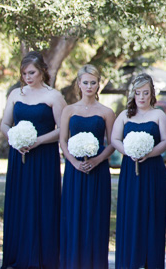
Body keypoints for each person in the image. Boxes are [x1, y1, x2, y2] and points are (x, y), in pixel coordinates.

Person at [0, 51, 66, 269]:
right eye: (24, 73)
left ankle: (43, 257)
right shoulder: (15, 94)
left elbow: (62, 130)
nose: (27, 77)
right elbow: (4, 124)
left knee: (43, 202)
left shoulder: (54, 96)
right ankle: (18, 254)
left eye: (31, 72)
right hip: (19, 156)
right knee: (20, 201)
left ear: (42, 72)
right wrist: (14, 139)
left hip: (44, 156)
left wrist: (37, 141)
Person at [58, 65, 116, 269]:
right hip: (74, 170)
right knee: (74, 216)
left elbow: (112, 143)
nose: (89, 86)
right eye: (86, 82)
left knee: (95, 217)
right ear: (79, 84)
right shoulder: (69, 110)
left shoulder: (106, 112)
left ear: (99, 84)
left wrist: (97, 160)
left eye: (93, 82)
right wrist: (73, 162)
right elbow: (63, 140)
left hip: (98, 170)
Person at [112, 74, 166, 269]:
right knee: (131, 212)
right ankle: (130, 260)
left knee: (152, 214)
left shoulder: (159, 115)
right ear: (133, 94)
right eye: (138, 93)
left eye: (146, 93)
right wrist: (129, 152)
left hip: (153, 169)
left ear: (151, 93)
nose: (142, 97)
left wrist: (150, 153)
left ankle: (151, 261)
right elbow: (115, 140)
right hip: (130, 169)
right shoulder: (124, 115)